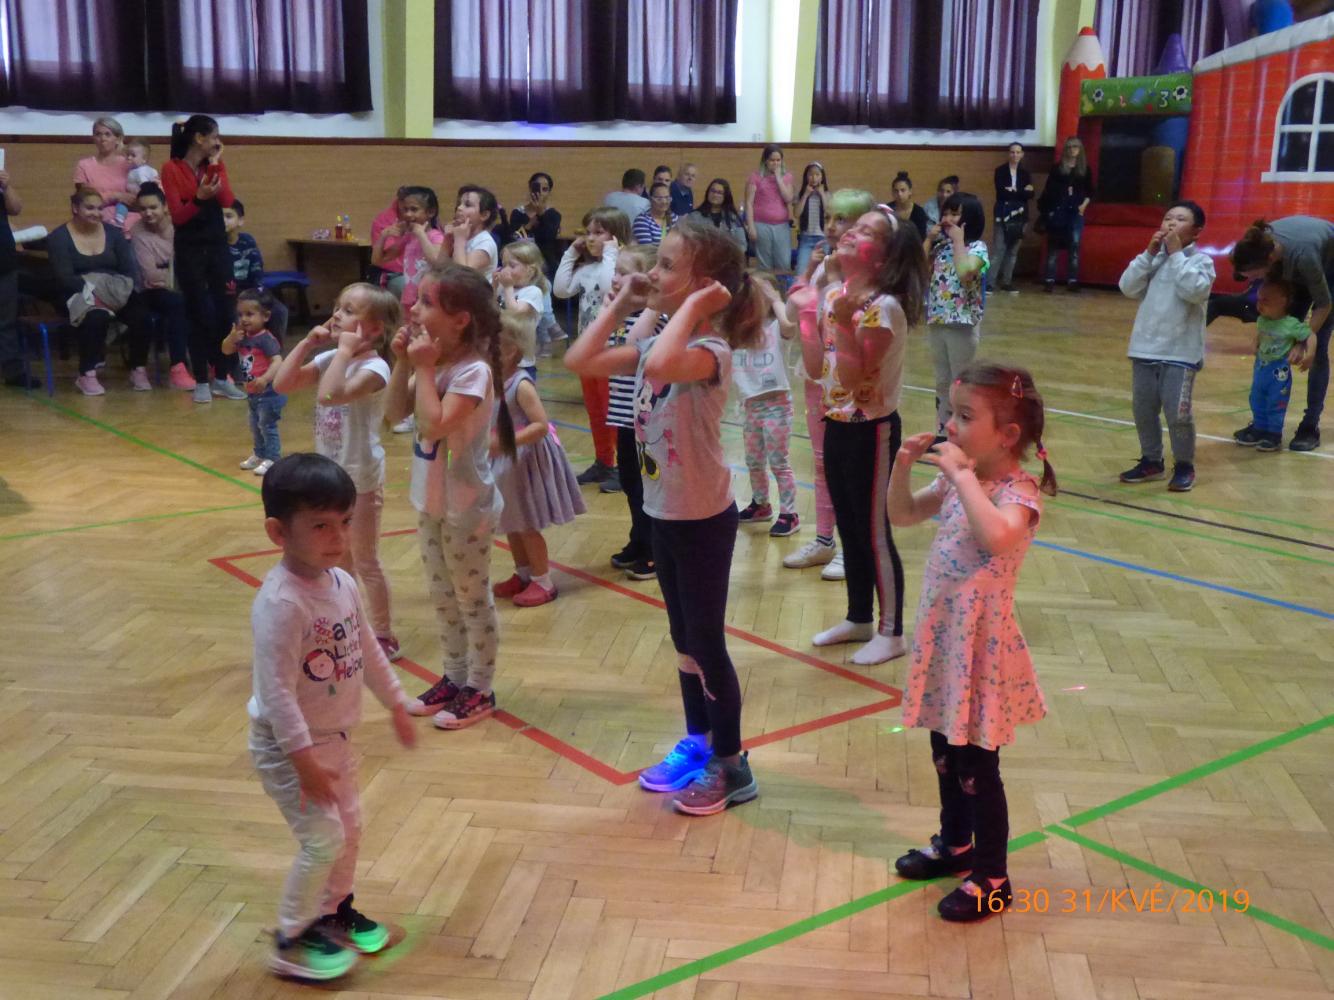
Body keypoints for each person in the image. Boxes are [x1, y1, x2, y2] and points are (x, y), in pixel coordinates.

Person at [565, 216, 769, 815]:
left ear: (704, 286)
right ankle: (699, 742)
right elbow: (582, 358)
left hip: (703, 519)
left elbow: (657, 367)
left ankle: (733, 766)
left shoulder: (711, 352)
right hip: (664, 513)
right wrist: (628, 302)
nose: (653, 273)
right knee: (684, 640)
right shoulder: (662, 342)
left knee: (707, 642)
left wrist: (696, 305)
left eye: (666, 266)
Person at [887, 363, 1057, 922]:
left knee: (977, 768)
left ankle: (992, 876)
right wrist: (902, 466)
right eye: (948, 413)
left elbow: (998, 536)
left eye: (964, 416)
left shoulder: (1017, 493)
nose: (949, 425)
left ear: (1007, 435)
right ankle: (956, 842)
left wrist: (962, 477)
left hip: (980, 653)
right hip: (945, 645)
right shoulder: (960, 482)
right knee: (944, 754)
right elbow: (902, 514)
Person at [247, 452, 415, 981]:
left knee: (350, 829)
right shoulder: (281, 604)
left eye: (344, 521)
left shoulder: (342, 583)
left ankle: (332, 912)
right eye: (320, 525)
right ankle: (290, 938)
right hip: (289, 749)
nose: (338, 536)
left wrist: (396, 702)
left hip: (335, 740)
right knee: (323, 839)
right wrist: (304, 764)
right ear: (279, 532)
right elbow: (276, 695)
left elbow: (367, 649)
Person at [385, 263, 516, 729]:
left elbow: (433, 424)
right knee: (443, 598)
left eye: (426, 303)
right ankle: (454, 677)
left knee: (471, 599)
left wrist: (422, 367)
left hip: (467, 506)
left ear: (460, 319)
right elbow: (393, 414)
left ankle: (479, 688)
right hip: (431, 499)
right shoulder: (435, 364)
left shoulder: (474, 372)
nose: (414, 309)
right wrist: (405, 363)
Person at [809, 207, 927, 666]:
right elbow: (818, 364)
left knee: (874, 532)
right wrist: (809, 313)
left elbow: (859, 381)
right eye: (853, 226)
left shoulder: (884, 308)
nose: (850, 232)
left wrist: (841, 320)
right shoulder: (837, 294)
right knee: (848, 525)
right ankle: (858, 616)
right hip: (836, 423)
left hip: (872, 431)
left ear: (883, 257)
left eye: (866, 232)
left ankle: (891, 631)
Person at [272, 282, 405, 661]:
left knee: (365, 559)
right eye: (337, 306)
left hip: (360, 479)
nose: (336, 315)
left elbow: (329, 395)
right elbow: (283, 384)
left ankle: (383, 634)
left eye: (348, 310)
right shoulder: (334, 357)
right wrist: (307, 345)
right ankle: (345, 624)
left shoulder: (376, 368)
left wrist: (344, 352)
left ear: (374, 329)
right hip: (330, 479)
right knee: (337, 561)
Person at [782, 188, 876, 580]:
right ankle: (824, 540)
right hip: (818, 378)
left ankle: (855, 549)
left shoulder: (873, 277)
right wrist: (808, 275)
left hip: (855, 388)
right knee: (822, 464)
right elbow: (793, 316)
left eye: (843, 220)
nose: (832, 227)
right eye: (831, 218)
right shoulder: (824, 267)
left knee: (852, 471)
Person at [1117, 201, 1215, 493]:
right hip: (1144, 348)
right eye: (1168, 218)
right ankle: (1151, 461)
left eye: (1180, 219)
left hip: (1180, 353)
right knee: (1143, 410)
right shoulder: (1153, 259)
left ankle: (1184, 465)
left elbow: (1193, 290)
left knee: (1178, 414)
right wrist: (1149, 254)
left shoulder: (1201, 262)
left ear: (1196, 231)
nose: (1171, 223)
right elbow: (1127, 287)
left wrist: (1175, 255)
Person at [491, 315, 586, 608]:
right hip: (505, 461)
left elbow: (541, 426)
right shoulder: (493, 381)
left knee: (526, 523)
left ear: (510, 351)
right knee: (511, 521)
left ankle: (543, 581)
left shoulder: (521, 385)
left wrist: (505, 442)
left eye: (488, 346)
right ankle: (523, 574)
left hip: (526, 461)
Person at [1228, 216, 1334, 451]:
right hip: (1299, 268)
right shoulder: (1258, 246)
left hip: (1330, 267)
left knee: (1317, 348)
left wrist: (1302, 342)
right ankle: (1263, 424)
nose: (1253, 281)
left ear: (1269, 261)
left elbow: (1324, 304)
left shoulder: (1303, 256)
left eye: (1254, 275)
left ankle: (1310, 425)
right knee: (1276, 333)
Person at [162, 114, 245, 403]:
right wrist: (198, 197)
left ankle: (222, 377)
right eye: (214, 136)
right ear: (199, 138)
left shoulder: (213, 165)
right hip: (190, 249)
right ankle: (200, 379)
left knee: (225, 312)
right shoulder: (171, 169)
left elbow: (227, 200)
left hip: (217, 246)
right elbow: (178, 216)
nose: (218, 142)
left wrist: (216, 164)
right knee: (198, 314)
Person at [46, 185, 148, 395]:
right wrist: (96, 292)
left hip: (115, 290)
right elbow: (64, 278)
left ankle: (138, 367)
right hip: (78, 292)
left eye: (100, 208)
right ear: (75, 208)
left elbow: (129, 271)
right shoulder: (59, 237)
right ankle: (87, 373)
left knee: (141, 316)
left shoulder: (114, 234)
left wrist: (114, 292)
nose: (96, 213)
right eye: (90, 208)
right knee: (96, 316)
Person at [553, 206, 628, 487]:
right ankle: (604, 462)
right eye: (588, 233)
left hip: (611, 351)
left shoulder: (620, 269)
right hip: (589, 352)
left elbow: (610, 287)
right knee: (595, 411)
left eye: (599, 233)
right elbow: (561, 290)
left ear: (615, 236)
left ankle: (624, 467)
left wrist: (611, 252)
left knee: (613, 411)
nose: (591, 238)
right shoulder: (587, 269)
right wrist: (571, 253)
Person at [604, 245, 661, 580]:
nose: (615, 279)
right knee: (629, 481)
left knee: (646, 487)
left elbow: (636, 354)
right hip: (623, 416)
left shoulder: (656, 318)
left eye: (623, 273)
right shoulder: (621, 315)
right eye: (616, 271)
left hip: (647, 422)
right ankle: (639, 539)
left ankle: (655, 549)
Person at [734, 272, 800, 537]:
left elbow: (790, 326)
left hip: (776, 405)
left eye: (762, 294)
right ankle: (761, 504)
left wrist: (774, 298)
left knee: (778, 462)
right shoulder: (739, 332)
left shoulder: (775, 329)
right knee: (753, 460)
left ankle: (790, 513)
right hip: (751, 406)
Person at [925, 193, 990, 434]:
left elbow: (965, 273)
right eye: (946, 213)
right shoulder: (941, 248)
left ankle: (962, 434)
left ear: (969, 218)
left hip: (962, 325)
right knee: (942, 382)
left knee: (960, 383)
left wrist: (959, 241)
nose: (948, 218)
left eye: (955, 213)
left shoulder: (978, 248)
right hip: (937, 321)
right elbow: (918, 268)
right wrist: (929, 239)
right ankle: (942, 433)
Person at [129, 183, 196, 390]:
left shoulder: (181, 226)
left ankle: (215, 363)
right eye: (143, 209)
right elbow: (149, 275)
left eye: (153, 207)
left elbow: (193, 263)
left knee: (208, 302)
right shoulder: (137, 232)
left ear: (165, 206)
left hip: (184, 285)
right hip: (150, 292)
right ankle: (178, 367)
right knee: (177, 303)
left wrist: (169, 271)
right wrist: (173, 272)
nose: (148, 213)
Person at [1235, 277, 1313, 452]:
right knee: (1256, 399)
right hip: (1260, 369)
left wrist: (1310, 354)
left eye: (1266, 300)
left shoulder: (1291, 324)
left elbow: (1310, 335)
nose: (1259, 304)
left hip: (1278, 374)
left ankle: (1274, 434)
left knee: (1275, 403)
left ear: (1283, 302)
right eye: (1259, 299)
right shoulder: (1263, 320)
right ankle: (1259, 428)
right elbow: (1261, 334)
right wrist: (1255, 341)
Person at [222, 288, 286, 477]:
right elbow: (226, 350)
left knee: (267, 425)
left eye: (249, 314)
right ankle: (259, 454)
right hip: (252, 392)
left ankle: (273, 458)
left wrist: (265, 378)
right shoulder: (242, 336)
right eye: (240, 314)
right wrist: (231, 338)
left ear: (265, 316)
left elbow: (277, 361)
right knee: (255, 425)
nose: (244, 319)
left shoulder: (265, 339)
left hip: (270, 393)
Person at [1039, 137, 1093, 293]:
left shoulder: (1085, 169)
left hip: (1076, 211)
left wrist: (1083, 206)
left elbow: (1090, 191)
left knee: (1074, 244)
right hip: (1059, 210)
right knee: (1053, 246)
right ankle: (1049, 280)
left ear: (1080, 149)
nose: (1072, 150)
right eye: (1069, 147)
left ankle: (1072, 280)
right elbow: (1048, 190)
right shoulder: (1057, 169)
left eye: (1075, 147)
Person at [0, 162, 37, 389]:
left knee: (6, 319)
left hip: (3, 257)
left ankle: (12, 371)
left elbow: (15, 209)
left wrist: (6, 186)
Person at [493, 238, 548, 380]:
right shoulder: (504, 288)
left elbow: (515, 314)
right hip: (500, 356)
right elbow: (490, 310)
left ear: (530, 270)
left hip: (521, 362)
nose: (505, 270)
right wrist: (494, 287)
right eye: (503, 264)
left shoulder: (533, 292)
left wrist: (507, 287)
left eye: (512, 265)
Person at [72, 116, 136, 229]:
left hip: (130, 221)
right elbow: (85, 200)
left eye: (108, 134)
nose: (102, 138)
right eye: (98, 134)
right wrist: (115, 196)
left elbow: (138, 197)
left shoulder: (130, 164)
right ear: (94, 138)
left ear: (118, 139)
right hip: (96, 222)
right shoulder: (84, 165)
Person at [992, 143, 1034, 294]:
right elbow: (1001, 193)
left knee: (1013, 250)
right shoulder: (1000, 171)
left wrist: (1014, 191)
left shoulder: (1025, 173)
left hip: (1020, 215)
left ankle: (1007, 282)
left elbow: (1030, 194)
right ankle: (990, 282)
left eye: (1018, 152)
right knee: (999, 249)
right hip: (1003, 213)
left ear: (1022, 154)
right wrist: (1021, 191)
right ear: (1008, 154)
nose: (1015, 155)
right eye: (1012, 152)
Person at [746, 145, 795, 272]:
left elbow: (788, 198)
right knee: (764, 264)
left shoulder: (787, 177)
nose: (775, 163)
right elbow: (749, 203)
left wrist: (778, 178)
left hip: (781, 225)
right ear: (765, 161)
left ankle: (781, 285)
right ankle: (765, 285)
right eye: (772, 160)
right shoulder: (756, 177)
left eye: (778, 160)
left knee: (783, 262)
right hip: (761, 224)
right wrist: (751, 226)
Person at [438, 185, 499, 280]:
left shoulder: (485, 242)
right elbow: (439, 269)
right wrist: (447, 239)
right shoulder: (459, 235)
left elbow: (462, 275)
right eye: (459, 204)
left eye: (467, 205)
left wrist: (459, 240)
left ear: (484, 215)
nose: (459, 208)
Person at [507, 172, 561, 276]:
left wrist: (540, 213)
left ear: (549, 193)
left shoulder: (553, 214)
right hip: (520, 261)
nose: (540, 193)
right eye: (537, 188)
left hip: (545, 264)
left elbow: (549, 238)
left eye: (545, 189)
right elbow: (514, 239)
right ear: (530, 189)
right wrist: (529, 224)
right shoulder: (518, 213)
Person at [793, 163, 829, 277]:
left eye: (817, 175)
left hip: (823, 239)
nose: (814, 178)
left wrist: (822, 194)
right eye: (811, 175)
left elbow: (829, 212)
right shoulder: (801, 194)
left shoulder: (827, 194)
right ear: (806, 177)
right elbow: (796, 214)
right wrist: (805, 195)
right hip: (806, 238)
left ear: (822, 177)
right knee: (801, 271)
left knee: (822, 273)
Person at [693, 178, 746, 252]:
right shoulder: (694, 217)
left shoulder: (733, 218)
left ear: (726, 196)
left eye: (719, 192)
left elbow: (742, 244)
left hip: (728, 257)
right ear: (708, 193)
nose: (715, 195)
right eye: (712, 191)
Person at [117, 138, 160, 226]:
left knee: (121, 204)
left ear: (144, 159)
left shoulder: (139, 172)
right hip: (145, 199)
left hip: (138, 199)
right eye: (128, 155)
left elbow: (144, 186)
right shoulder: (149, 170)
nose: (129, 157)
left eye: (133, 155)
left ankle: (119, 219)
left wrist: (142, 197)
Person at [632, 181, 678, 247]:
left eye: (667, 198)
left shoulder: (674, 217)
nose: (664, 202)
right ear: (650, 199)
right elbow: (647, 250)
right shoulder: (642, 220)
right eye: (659, 199)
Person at [889, 172, 930, 241]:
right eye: (896, 191)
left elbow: (921, 239)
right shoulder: (887, 210)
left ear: (910, 191)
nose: (899, 194)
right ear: (892, 192)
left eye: (903, 190)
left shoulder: (919, 212)